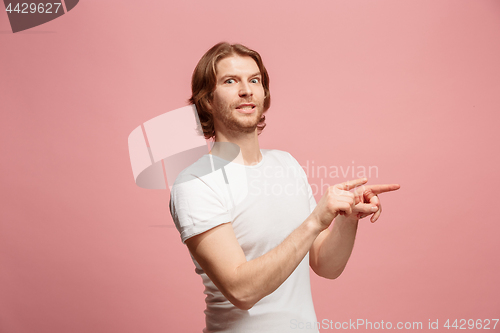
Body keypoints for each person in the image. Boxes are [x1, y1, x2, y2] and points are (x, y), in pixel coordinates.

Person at [169, 42, 400, 332]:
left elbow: (325, 265)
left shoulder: (286, 164)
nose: (246, 90)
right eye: (230, 81)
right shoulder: (196, 183)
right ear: (207, 101)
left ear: (264, 94)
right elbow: (241, 291)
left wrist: (346, 220)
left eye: (255, 80)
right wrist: (315, 220)